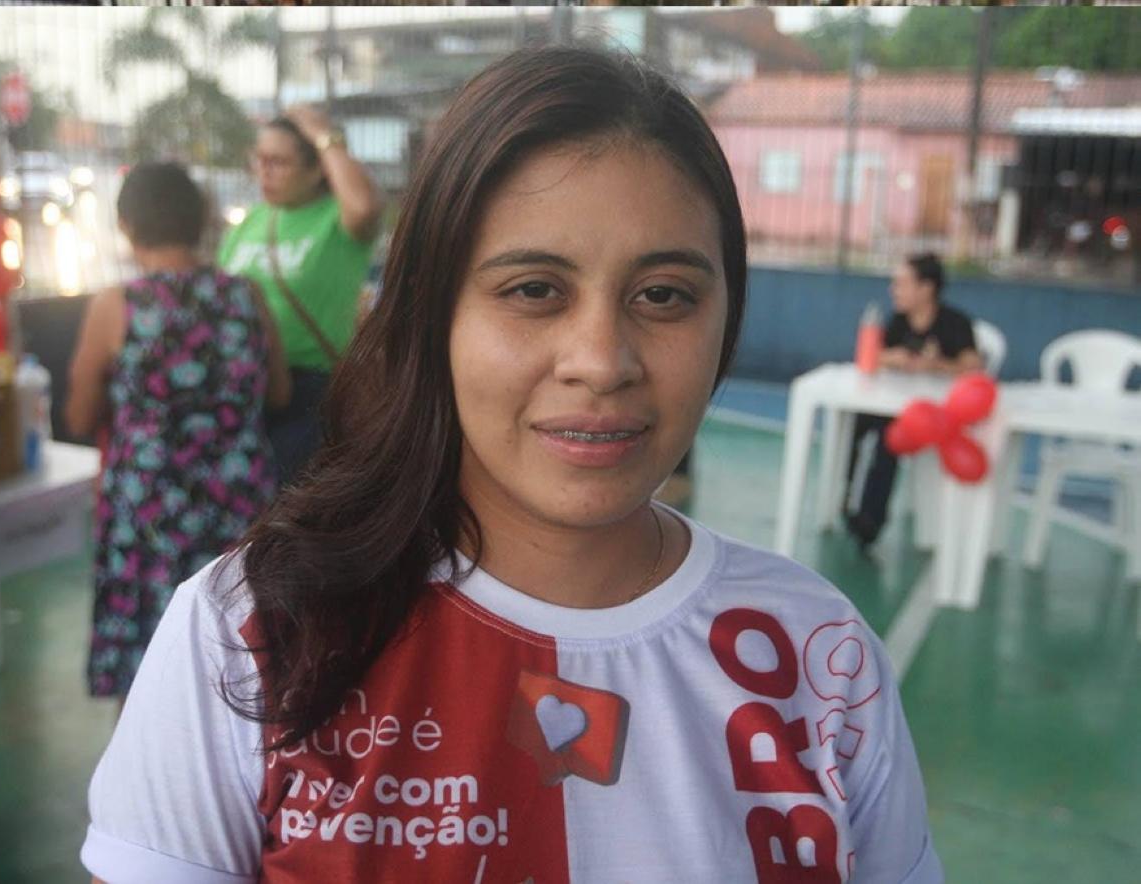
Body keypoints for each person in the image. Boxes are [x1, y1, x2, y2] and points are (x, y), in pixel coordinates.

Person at [83, 48, 941, 883]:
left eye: (663, 295)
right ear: (431, 315)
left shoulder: (819, 660)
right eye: (534, 289)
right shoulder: (251, 633)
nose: (600, 362)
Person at [66, 161, 290, 700]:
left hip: (150, 514)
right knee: (241, 664)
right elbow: (279, 393)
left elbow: (78, 416)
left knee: (149, 675)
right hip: (239, 506)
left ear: (126, 224)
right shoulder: (246, 296)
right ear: (200, 221)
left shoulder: (118, 306)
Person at [218, 106, 383, 486]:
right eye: (259, 159)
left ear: (317, 170)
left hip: (309, 394)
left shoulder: (336, 219)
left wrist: (324, 134)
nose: (264, 172)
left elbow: (365, 207)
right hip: (247, 388)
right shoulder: (252, 222)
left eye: (278, 162)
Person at [843, 252, 983, 550]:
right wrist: (892, 358)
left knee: (888, 440)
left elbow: (973, 367)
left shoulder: (955, 323)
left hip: (936, 418)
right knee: (855, 423)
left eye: (901, 284)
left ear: (926, 288)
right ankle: (845, 501)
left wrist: (935, 365)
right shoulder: (898, 321)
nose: (894, 290)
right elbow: (874, 356)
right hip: (893, 407)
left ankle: (870, 521)